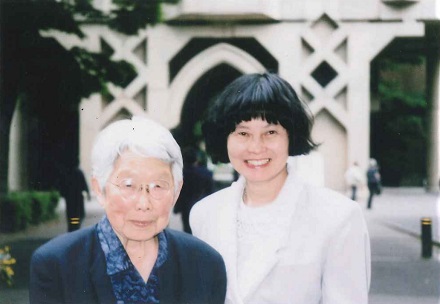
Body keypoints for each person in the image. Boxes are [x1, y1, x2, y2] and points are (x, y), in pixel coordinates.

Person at [190, 73, 371, 304]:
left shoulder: (339, 217)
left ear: (290, 136)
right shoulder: (204, 214)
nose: (256, 147)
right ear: (225, 139)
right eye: (243, 133)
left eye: (270, 132)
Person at [30, 116, 226, 304]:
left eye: (158, 186)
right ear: (100, 189)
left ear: (176, 191)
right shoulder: (55, 264)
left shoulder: (206, 264)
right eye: (129, 185)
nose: (143, 203)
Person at [173, 146, 214, 234]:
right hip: (202, 204)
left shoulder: (180, 175)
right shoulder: (205, 173)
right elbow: (210, 191)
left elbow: (178, 193)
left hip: (186, 207)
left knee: (187, 231)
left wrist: (177, 207)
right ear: (196, 159)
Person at [58, 165, 91, 232]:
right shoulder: (78, 172)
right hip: (77, 197)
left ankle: (73, 227)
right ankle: (75, 227)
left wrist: (64, 194)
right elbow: (84, 184)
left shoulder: (67, 173)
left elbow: (62, 186)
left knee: (72, 214)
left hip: (70, 198)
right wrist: (88, 193)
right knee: (77, 214)